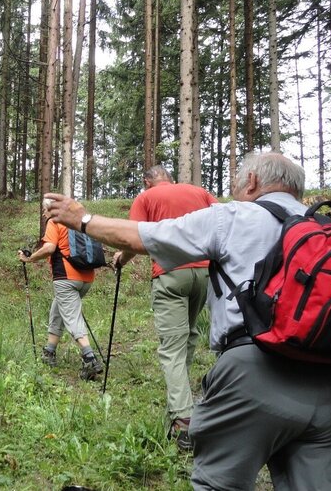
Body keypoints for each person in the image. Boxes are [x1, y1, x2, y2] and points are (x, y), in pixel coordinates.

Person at [44, 152, 331, 490]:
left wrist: (83, 219)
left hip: (253, 366)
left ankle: (183, 417)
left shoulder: (232, 215)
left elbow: (144, 236)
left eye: (240, 182)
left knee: (174, 351)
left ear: (253, 182)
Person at [112, 165, 217, 449]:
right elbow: (222, 224)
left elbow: (132, 240)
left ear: (148, 181)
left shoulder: (146, 198)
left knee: (171, 346)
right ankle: (181, 397)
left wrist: (120, 260)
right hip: (204, 273)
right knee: (190, 335)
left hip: (170, 274)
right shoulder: (200, 192)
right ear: (168, 177)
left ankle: (183, 420)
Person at [18, 218, 103, 380]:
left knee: (72, 317)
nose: (43, 212)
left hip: (66, 277)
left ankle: (90, 359)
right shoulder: (78, 222)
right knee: (57, 311)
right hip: (87, 278)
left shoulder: (55, 222)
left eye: (46, 208)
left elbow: (49, 248)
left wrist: (30, 259)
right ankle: (49, 352)